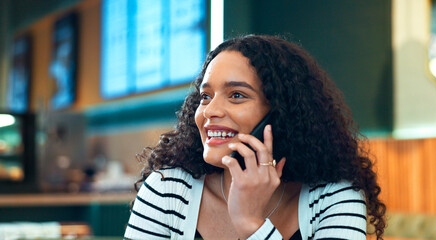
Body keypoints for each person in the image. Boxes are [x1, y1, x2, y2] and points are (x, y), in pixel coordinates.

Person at [124, 35, 386, 240]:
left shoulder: (333, 197)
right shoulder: (167, 189)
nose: (210, 111)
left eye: (237, 95)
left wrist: (252, 225)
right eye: (206, 97)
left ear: (281, 113)